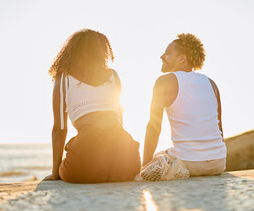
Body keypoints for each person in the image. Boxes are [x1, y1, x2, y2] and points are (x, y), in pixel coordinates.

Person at [44, 29, 141, 183]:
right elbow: (120, 120)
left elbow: (59, 129)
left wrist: (55, 173)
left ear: (71, 51)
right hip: (127, 157)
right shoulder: (114, 76)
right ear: (103, 52)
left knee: (69, 167)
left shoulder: (64, 77)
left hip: (87, 153)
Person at [142, 33, 227, 176]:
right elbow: (219, 127)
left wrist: (144, 166)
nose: (162, 56)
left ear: (182, 58)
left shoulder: (164, 81)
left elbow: (154, 126)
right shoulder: (211, 83)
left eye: (168, 53)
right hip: (219, 162)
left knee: (157, 158)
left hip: (189, 163)